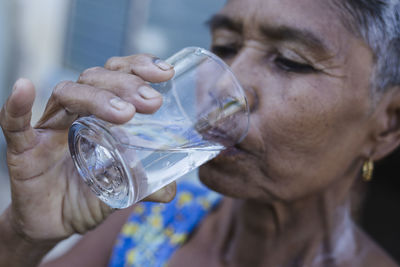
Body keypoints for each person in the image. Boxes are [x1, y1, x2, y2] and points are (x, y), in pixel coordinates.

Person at [1, 0, 400, 266]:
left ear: (388, 124)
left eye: (291, 62)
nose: (225, 85)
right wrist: (22, 235)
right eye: (225, 46)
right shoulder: (153, 222)